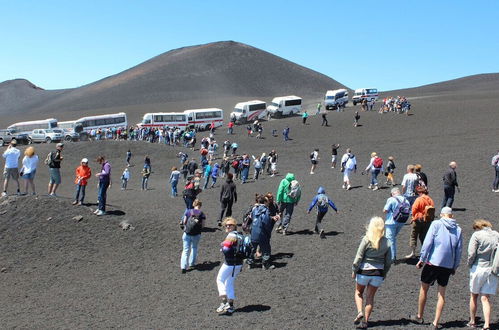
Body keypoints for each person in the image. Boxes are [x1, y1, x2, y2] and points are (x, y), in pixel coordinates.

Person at [411, 207, 463, 329]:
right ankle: (435, 322)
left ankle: (419, 316)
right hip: (448, 265)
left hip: (433, 262)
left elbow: (428, 243)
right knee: (441, 294)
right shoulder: (458, 229)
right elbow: (459, 250)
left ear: (441, 215)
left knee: (424, 288)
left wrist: (422, 259)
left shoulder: (436, 224)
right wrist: (454, 266)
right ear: (451, 216)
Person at [352, 217, 392, 329]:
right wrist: (384, 274)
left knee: (358, 292)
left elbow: (358, 257)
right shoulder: (387, 242)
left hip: (364, 271)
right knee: (370, 297)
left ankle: (360, 312)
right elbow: (389, 261)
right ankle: (365, 321)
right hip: (378, 274)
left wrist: (354, 270)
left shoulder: (366, 239)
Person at [467, 219, 499, 329]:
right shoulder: (496, 235)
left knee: (474, 295)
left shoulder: (477, 235)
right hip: (492, 269)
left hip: (479, 267)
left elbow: (471, 253)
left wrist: (469, 264)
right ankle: (486, 324)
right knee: (485, 298)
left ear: (477, 227)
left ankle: (472, 321)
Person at [216, 217, 244, 314]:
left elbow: (226, 249)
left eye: (230, 225)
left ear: (234, 226)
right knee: (229, 283)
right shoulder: (240, 235)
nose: (228, 226)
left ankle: (224, 302)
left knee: (220, 279)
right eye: (226, 225)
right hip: (239, 264)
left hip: (229, 263)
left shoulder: (231, 236)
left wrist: (222, 246)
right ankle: (231, 306)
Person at [405, 186, 435, 259]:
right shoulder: (430, 200)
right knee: (424, 236)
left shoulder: (419, 199)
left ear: (419, 192)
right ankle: (424, 252)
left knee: (414, 236)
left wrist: (413, 217)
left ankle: (413, 253)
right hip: (427, 221)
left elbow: (414, 209)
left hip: (418, 220)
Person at [247, 195, 275, 270]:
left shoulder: (254, 209)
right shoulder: (266, 210)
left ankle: (250, 263)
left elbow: (252, 218)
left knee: (252, 248)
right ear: (264, 202)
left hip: (253, 232)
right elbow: (266, 222)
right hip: (262, 233)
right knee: (266, 249)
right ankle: (265, 265)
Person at [383, 187, 408, 262]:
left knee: (390, 239)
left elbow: (385, 210)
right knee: (392, 238)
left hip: (391, 222)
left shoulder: (391, 199)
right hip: (401, 222)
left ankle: (392, 258)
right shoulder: (405, 200)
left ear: (392, 194)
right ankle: (392, 256)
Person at [180, 199, 206, 273]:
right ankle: (192, 263)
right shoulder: (202, 214)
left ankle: (183, 266)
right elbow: (203, 226)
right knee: (194, 248)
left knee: (185, 250)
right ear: (200, 205)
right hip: (196, 234)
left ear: (194, 204)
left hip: (187, 233)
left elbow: (184, 222)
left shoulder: (188, 211)